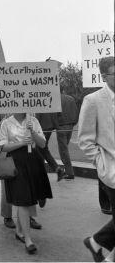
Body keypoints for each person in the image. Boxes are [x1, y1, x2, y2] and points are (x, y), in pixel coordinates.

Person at [0, 113, 53, 255]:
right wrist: (22, 143)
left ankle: (19, 231)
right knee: (23, 199)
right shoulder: (6, 123)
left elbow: (42, 143)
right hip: (16, 163)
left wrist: (33, 132)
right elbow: (3, 146)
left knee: (29, 198)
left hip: (33, 161)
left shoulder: (33, 120)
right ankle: (28, 240)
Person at [79, 56, 115, 263]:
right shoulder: (93, 100)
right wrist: (101, 165)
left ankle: (96, 244)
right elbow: (84, 139)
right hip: (111, 171)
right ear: (104, 76)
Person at [0, 114, 42, 230]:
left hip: (26, 152)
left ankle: (29, 216)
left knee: (29, 186)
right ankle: (7, 216)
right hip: (7, 151)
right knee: (6, 186)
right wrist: (5, 120)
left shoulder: (28, 112)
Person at [56, 85, 79, 180]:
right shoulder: (71, 98)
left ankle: (70, 173)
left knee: (63, 150)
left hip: (61, 126)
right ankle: (68, 170)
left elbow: (54, 114)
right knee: (65, 149)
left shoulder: (56, 99)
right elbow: (76, 112)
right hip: (70, 126)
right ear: (63, 90)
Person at [35, 112, 66, 181]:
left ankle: (57, 169)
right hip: (48, 126)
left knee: (41, 148)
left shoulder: (40, 102)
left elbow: (38, 115)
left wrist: (34, 126)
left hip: (43, 126)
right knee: (42, 149)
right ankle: (57, 169)